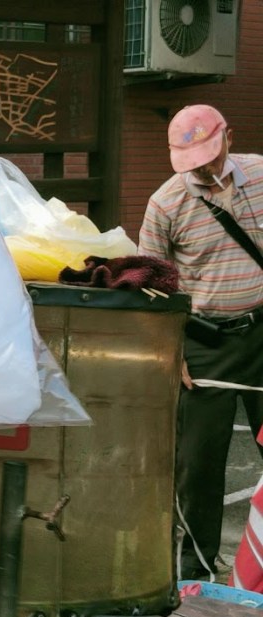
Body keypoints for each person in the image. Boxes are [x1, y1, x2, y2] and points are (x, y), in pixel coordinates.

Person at [138, 104, 263, 580]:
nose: (205, 172)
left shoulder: (260, 174)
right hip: (205, 341)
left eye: (211, 159)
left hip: (262, 328)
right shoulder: (165, 203)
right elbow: (150, 285)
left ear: (229, 137)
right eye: (194, 164)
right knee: (198, 465)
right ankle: (197, 572)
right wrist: (170, 352)